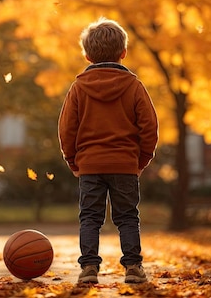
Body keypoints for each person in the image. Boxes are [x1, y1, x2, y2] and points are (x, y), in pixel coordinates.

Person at [58, 17, 159, 284]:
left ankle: (89, 269)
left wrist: (73, 160)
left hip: (89, 165)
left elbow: (67, 127)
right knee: (127, 217)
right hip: (125, 164)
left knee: (90, 218)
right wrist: (142, 160)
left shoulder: (79, 87)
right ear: (123, 53)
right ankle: (133, 268)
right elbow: (150, 127)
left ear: (87, 55)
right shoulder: (134, 86)